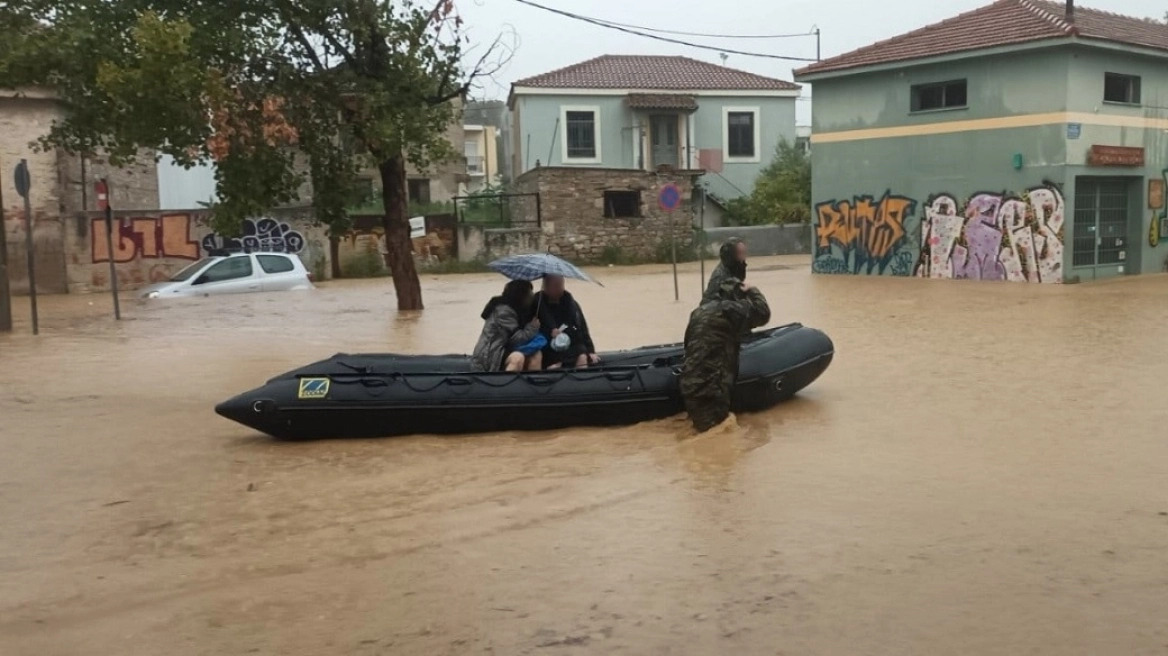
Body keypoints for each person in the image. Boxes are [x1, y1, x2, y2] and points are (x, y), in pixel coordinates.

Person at [680, 277, 770, 432]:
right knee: (714, 439)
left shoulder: (698, 312)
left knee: (700, 432)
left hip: (689, 385)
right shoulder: (730, 310)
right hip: (711, 389)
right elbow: (763, 313)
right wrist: (752, 290)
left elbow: (688, 344)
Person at [471, 280, 543, 372]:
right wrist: (533, 327)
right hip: (491, 354)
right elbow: (518, 339)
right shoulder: (504, 311)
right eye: (529, 294)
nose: (531, 297)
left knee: (536, 353)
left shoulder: (518, 309)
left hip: (505, 349)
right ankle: (506, 385)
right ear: (520, 296)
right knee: (517, 358)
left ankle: (533, 385)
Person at [534, 275, 599, 369]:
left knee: (582, 353)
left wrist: (590, 350)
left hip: (569, 344)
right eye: (555, 286)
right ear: (546, 286)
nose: (560, 289)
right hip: (547, 346)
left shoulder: (571, 303)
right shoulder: (537, 304)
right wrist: (550, 331)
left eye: (561, 285)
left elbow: (582, 328)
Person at [702, 237, 747, 303]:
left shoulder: (736, 268)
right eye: (740, 253)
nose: (743, 257)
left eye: (744, 253)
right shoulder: (721, 276)